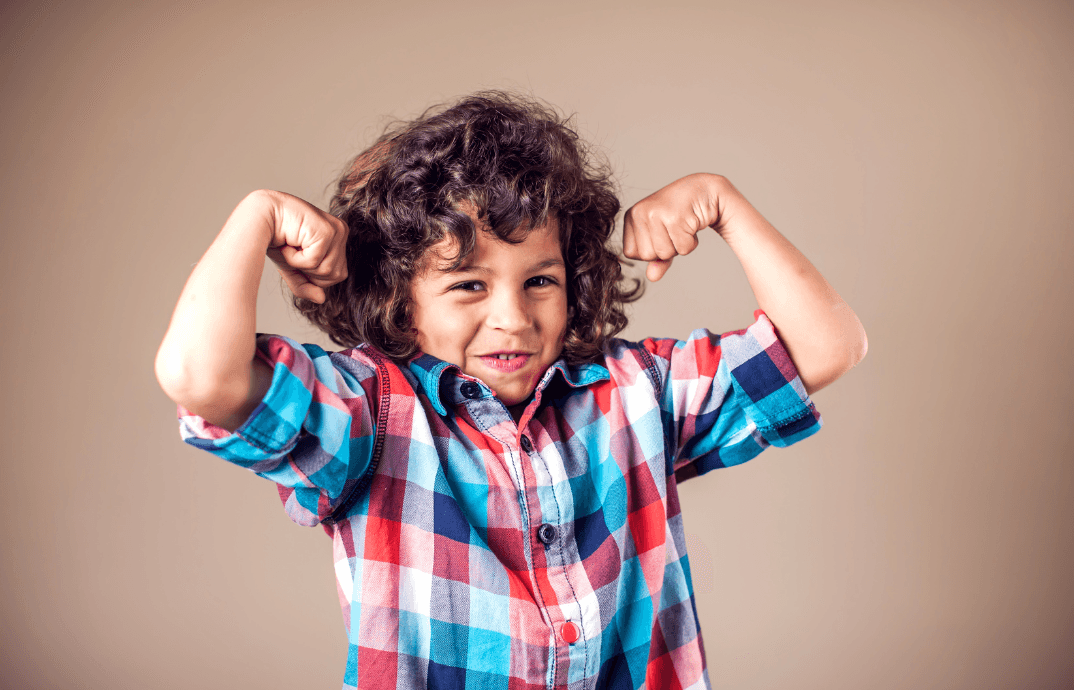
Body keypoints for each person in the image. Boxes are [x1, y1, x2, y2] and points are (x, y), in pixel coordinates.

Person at [155, 91, 867, 690]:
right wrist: (255, 218)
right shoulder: (369, 414)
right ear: (400, 299)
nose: (514, 317)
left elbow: (826, 347)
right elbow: (201, 379)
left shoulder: (633, 393)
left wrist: (723, 205)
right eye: (468, 284)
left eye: (540, 281)